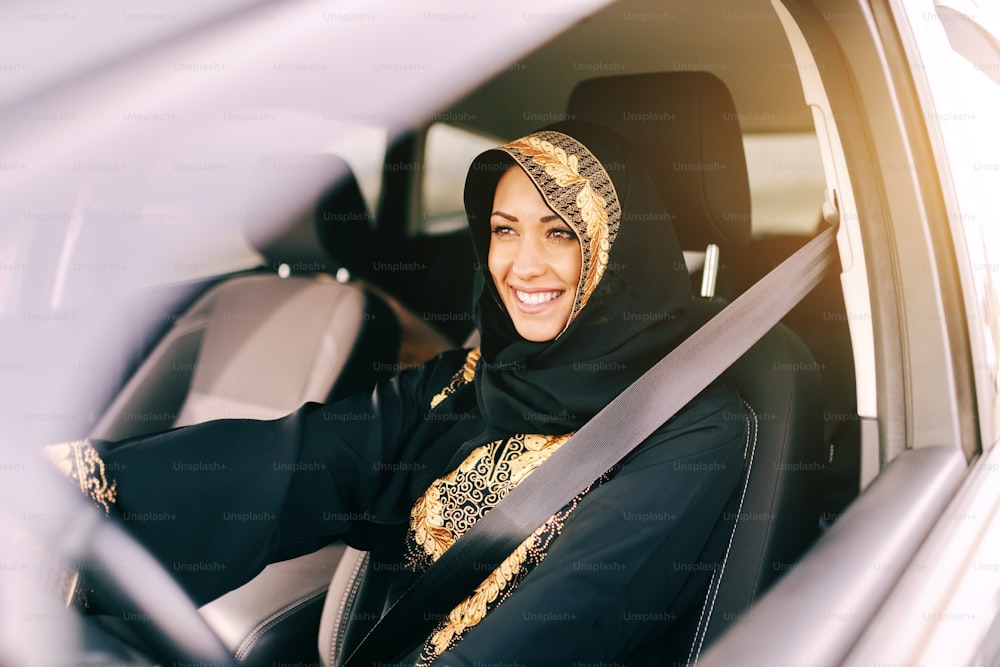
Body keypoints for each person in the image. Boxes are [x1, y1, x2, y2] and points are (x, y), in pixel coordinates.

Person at [48, 121, 749, 665]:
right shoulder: (465, 383)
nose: (522, 265)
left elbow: (575, 614)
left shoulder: (691, 427)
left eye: (560, 233)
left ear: (615, 254)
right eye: (504, 231)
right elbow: (296, 463)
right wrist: (81, 495)